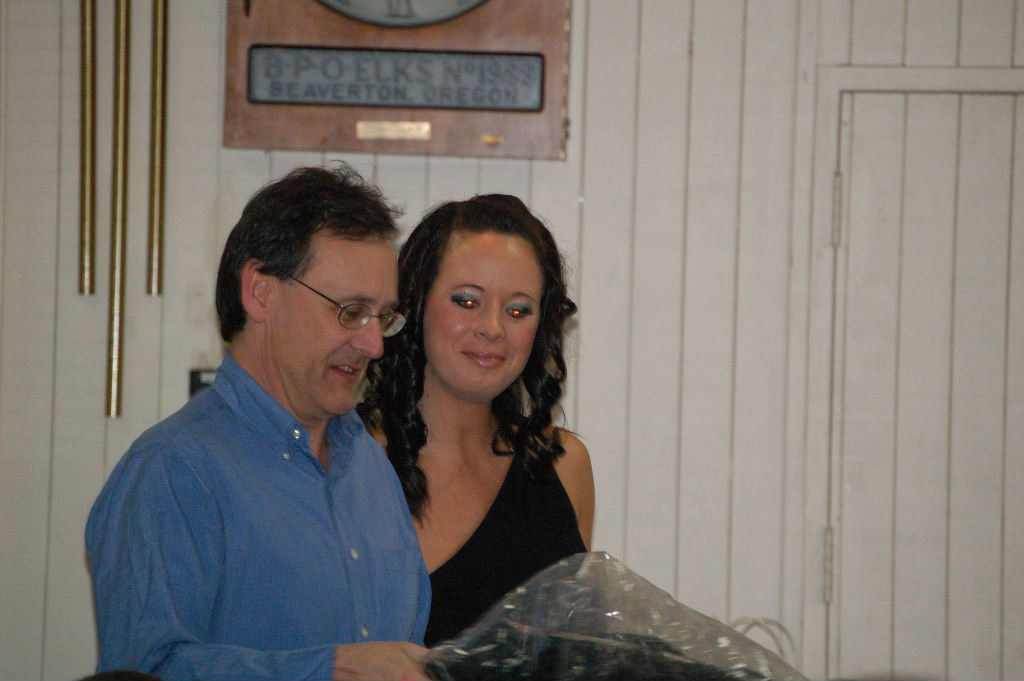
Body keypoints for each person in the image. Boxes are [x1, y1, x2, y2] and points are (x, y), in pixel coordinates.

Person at [85, 166, 432, 681]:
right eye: (351, 311)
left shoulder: (370, 466)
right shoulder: (173, 470)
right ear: (260, 292)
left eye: (383, 317)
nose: (374, 344)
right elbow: (146, 670)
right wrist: (330, 671)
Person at [359, 194, 595, 646]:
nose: (492, 328)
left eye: (518, 310)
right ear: (416, 302)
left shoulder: (564, 466)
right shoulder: (347, 463)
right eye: (467, 301)